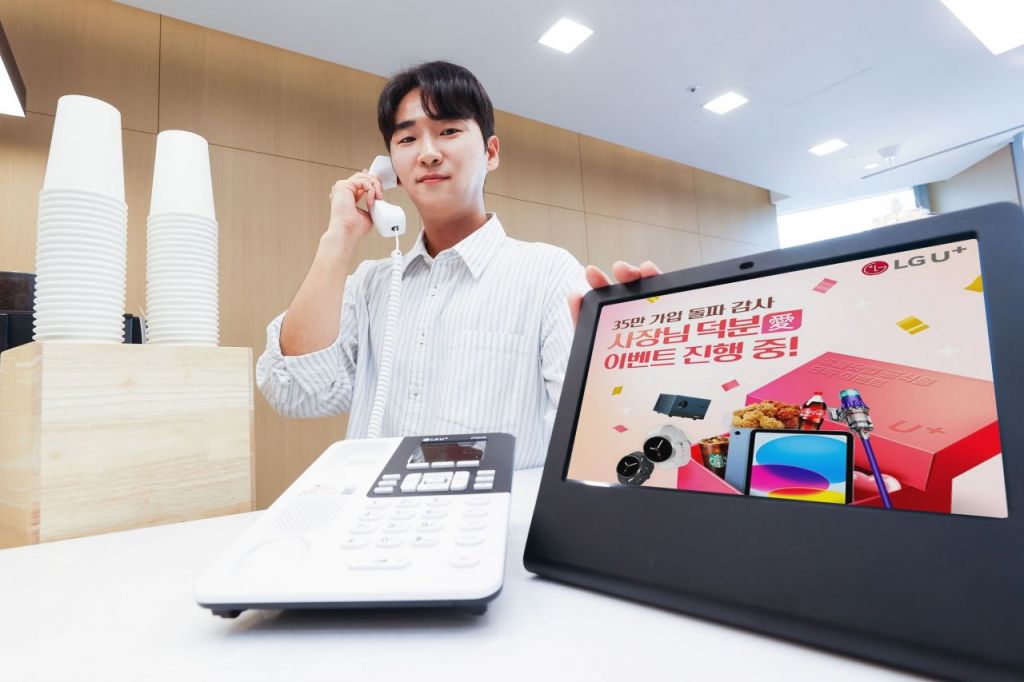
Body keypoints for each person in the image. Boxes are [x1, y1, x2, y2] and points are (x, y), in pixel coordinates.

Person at [256, 61, 660, 468]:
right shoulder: (372, 286)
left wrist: (641, 363)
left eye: (448, 131)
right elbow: (294, 392)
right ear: (391, 167)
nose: (429, 153)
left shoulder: (547, 272)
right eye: (407, 138)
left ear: (490, 152)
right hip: (374, 508)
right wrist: (338, 238)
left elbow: (588, 435)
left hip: (496, 509)